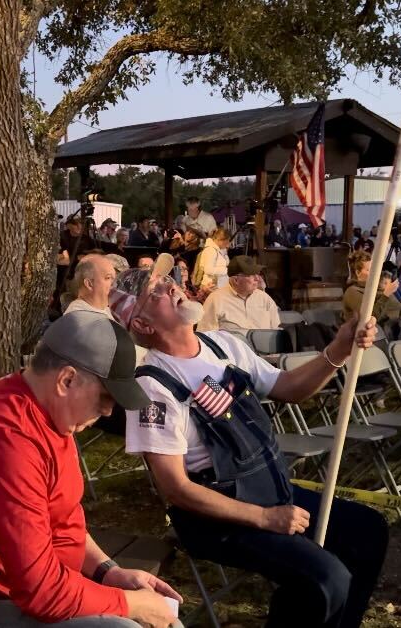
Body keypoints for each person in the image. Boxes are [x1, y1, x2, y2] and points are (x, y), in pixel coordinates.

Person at [116, 262, 387, 628]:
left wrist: (339, 350)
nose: (171, 287)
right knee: (325, 579)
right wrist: (264, 518)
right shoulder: (153, 386)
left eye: (167, 280)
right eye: (155, 292)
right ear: (142, 325)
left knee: (368, 532)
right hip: (214, 517)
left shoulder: (223, 345)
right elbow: (175, 489)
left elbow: (288, 388)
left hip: (268, 490)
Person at [0, 312, 182, 628]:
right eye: (105, 396)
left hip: (19, 590)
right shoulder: (8, 436)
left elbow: (62, 516)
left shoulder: (44, 408)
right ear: (67, 380)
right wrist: (130, 604)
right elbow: (42, 594)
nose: (107, 411)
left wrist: (108, 572)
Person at [196, 256, 280, 334]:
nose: (257, 278)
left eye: (258, 273)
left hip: (264, 349)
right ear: (236, 280)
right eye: (251, 275)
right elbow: (206, 334)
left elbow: (277, 330)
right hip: (232, 349)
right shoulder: (216, 299)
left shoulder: (264, 298)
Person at [342, 250, 400, 327]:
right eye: (369, 270)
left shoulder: (375, 287)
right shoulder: (352, 292)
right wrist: (386, 294)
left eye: (374, 268)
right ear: (358, 273)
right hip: (381, 333)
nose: (375, 272)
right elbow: (369, 318)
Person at [65, 254, 117, 320]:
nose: (114, 283)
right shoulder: (80, 318)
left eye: (114, 278)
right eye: (108, 278)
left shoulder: (99, 309)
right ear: (89, 284)